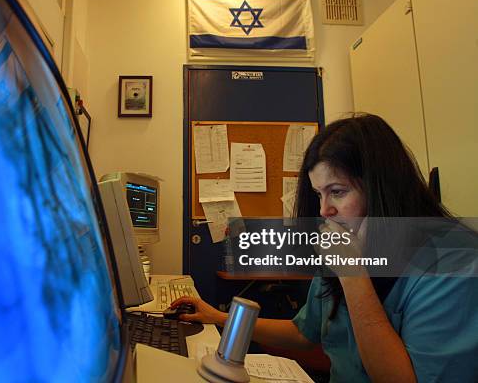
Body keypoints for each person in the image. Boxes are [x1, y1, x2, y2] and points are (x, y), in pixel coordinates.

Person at [172, 114, 478, 382]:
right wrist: (220, 318)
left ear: (382, 187)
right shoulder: (349, 241)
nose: (324, 210)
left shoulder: (454, 260)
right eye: (319, 194)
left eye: (338, 192)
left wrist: (353, 276)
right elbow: (305, 332)